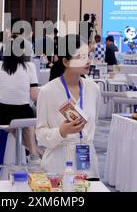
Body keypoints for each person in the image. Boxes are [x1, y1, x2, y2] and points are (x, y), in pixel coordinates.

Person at [36, 34, 101, 179]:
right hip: (57, 167)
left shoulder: (93, 89)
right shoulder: (47, 92)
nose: (88, 61)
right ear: (65, 61)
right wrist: (60, 131)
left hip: (88, 165)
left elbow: (94, 123)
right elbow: (40, 135)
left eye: (88, 56)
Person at [0, 39, 41, 162]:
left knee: (15, 127)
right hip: (23, 113)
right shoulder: (29, 67)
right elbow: (34, 96)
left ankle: (35, 151)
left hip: (1, 114)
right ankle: (35, 151)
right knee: (28, 119)